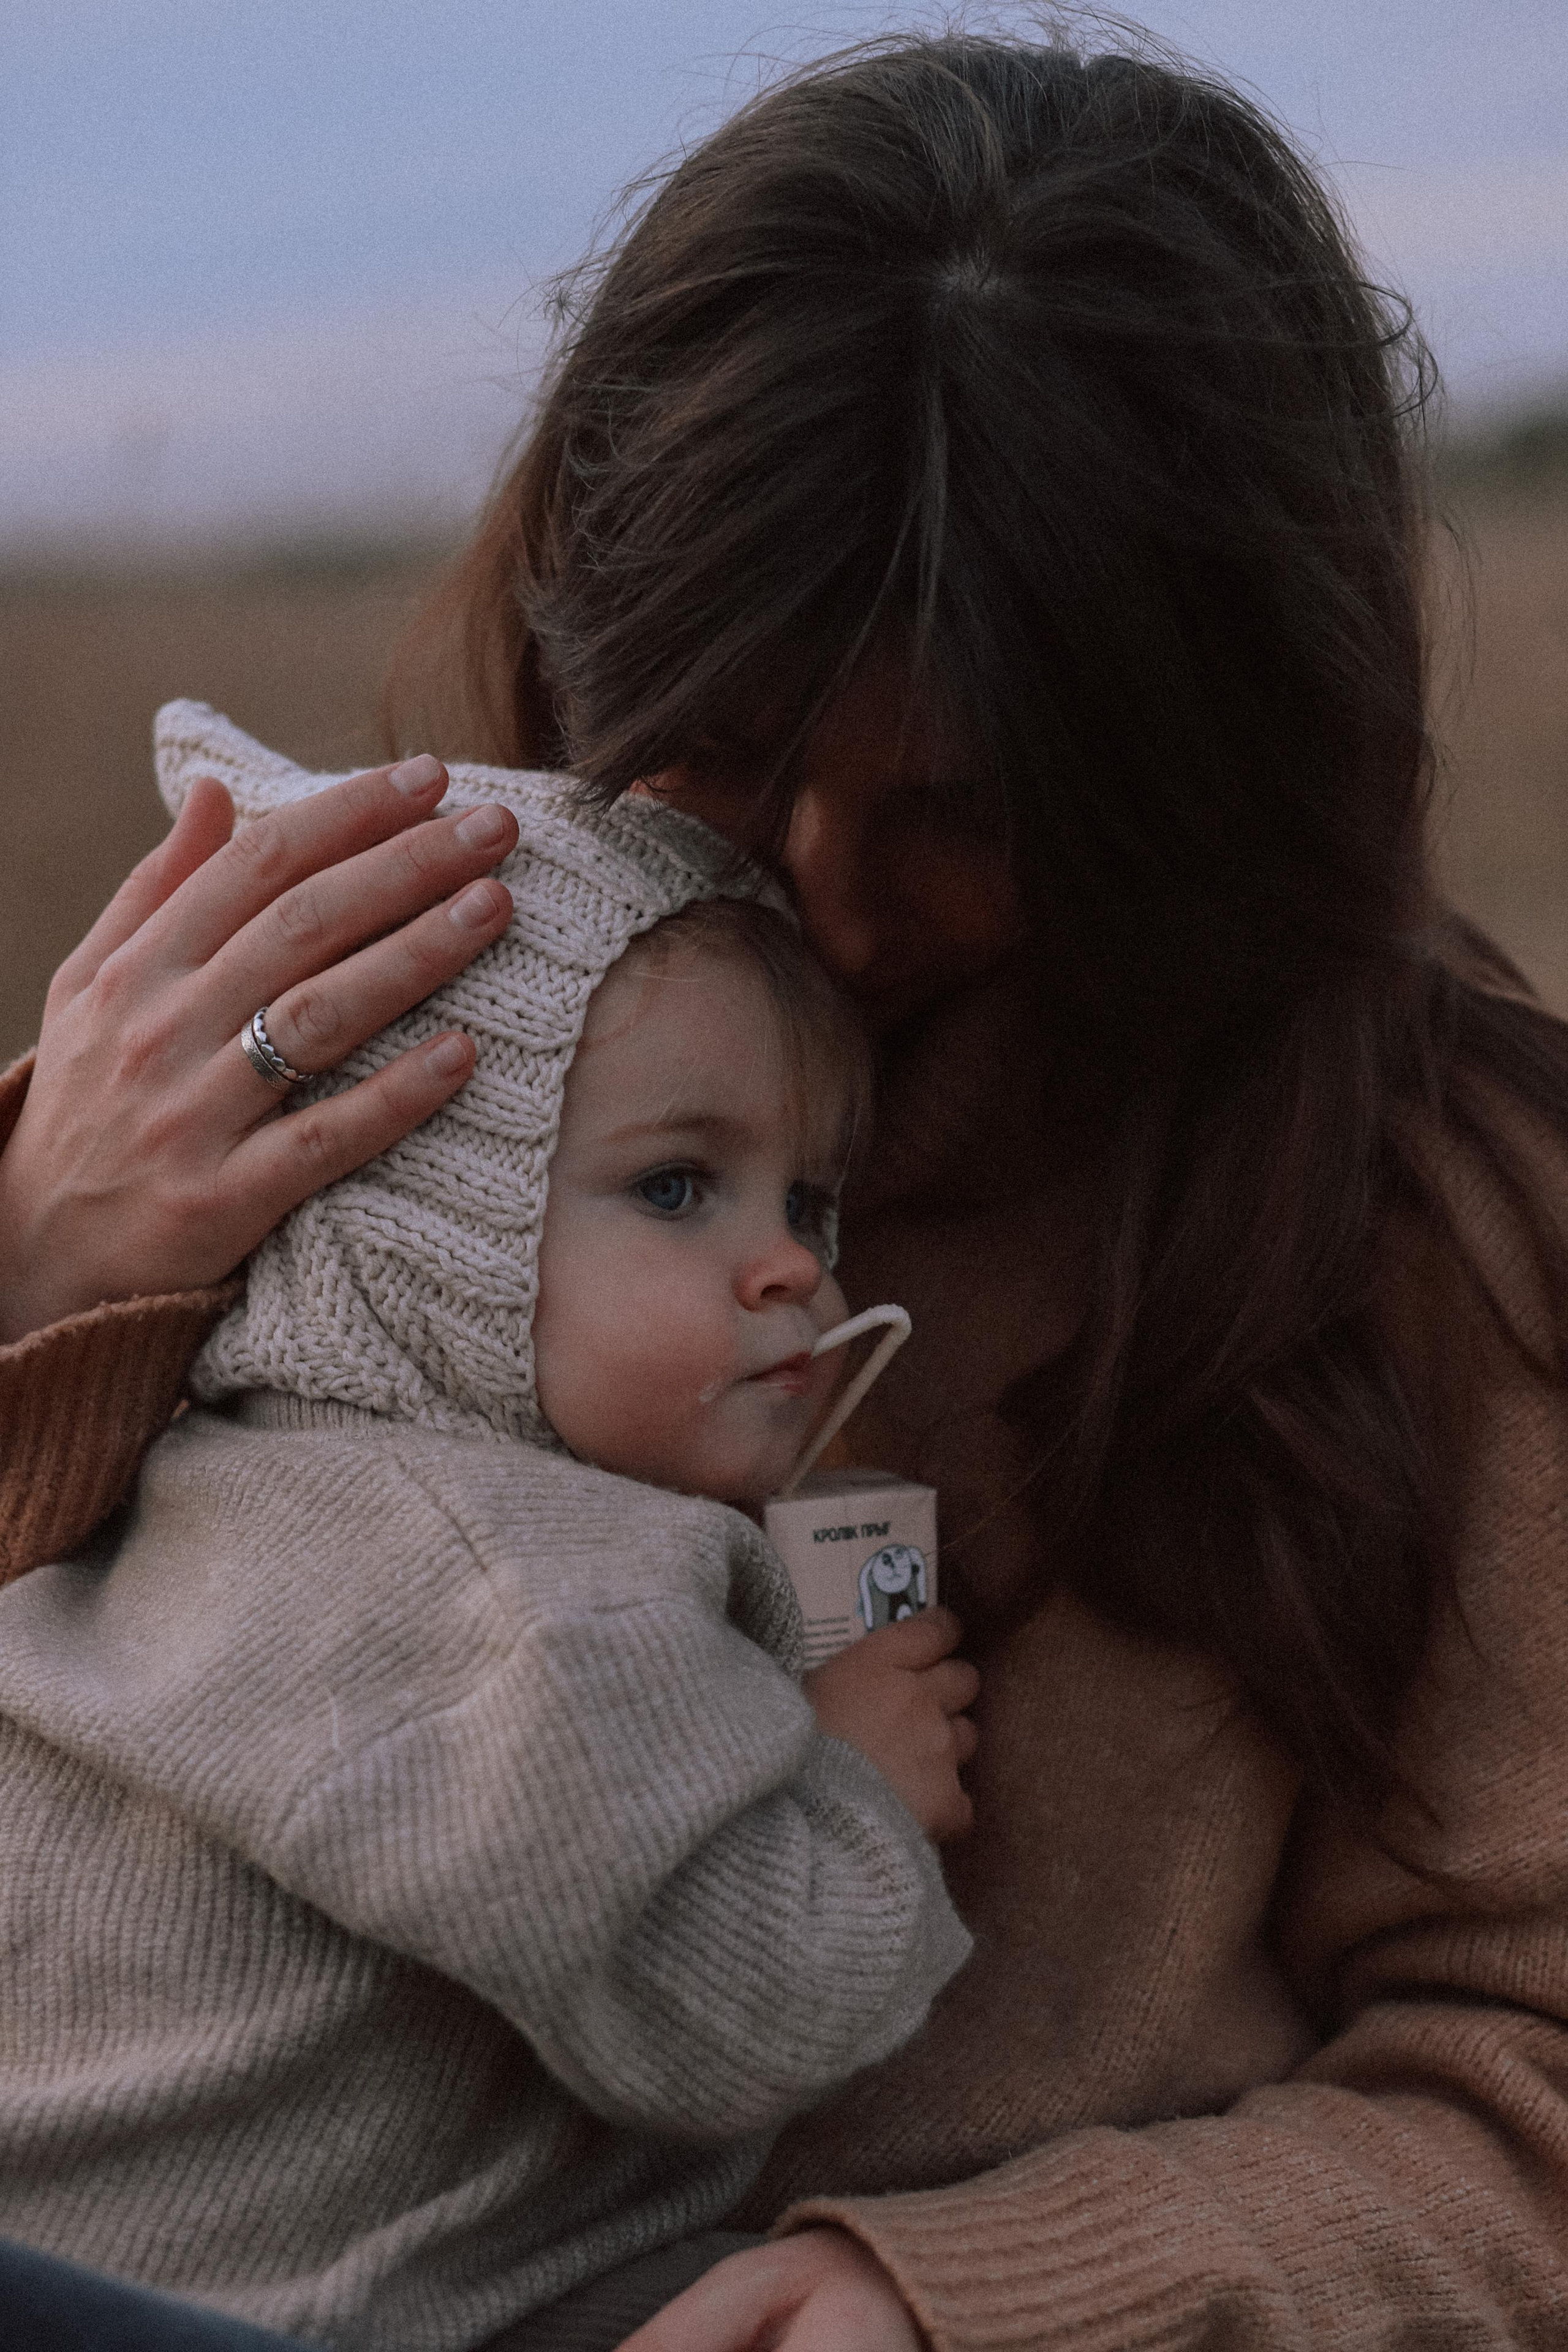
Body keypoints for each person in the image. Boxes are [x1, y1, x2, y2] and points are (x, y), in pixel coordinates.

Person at [4, 23, 1568, 2351]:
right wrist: (46, 1276)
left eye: (965, 808)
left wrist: (964, 2302)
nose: (827, 895)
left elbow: (1530, 2096)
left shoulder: (1442, 1225)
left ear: (1200, 759)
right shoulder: (361, 987)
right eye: (728, 743)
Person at [0, 707, 976, 2349]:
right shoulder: (523, 1591)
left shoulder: (213, 1478)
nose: (794, 1267)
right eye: (678, 1188)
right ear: (419, 1226)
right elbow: (735, 2010)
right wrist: (860, 1792)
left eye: (808, 1200)